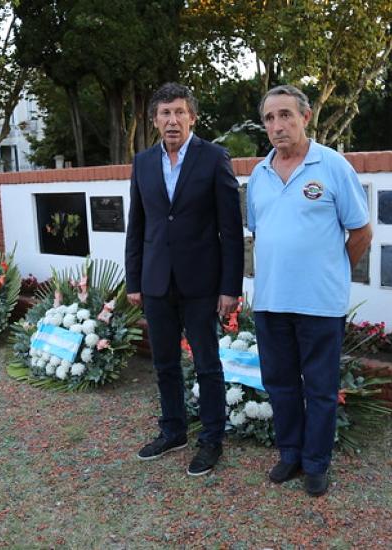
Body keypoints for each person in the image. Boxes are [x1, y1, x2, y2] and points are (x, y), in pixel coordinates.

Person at [247, 85, 372, 497]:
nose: (278, 125)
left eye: (285, 115)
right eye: (270, 118)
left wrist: (334, 270)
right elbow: (260, 233)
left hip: (320, 303)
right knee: (280, 384)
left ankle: (317, 463)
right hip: (270, 301)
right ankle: (290, 454)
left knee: (319, 387)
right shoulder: (258, 177)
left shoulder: (333, 166)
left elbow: (361, 231)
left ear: (305, 118)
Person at [125, 82, 244, 476]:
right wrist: (134, 281)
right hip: (156, 282)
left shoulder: (214, 158)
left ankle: (211, 438)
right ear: (155, 120)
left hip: (201, 284)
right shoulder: (142, 162)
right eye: (164, 113)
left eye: (179, 112)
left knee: (207, 364)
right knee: (164, 364)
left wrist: (230, 287)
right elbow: (137, 225)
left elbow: (231, 228)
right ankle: (173, 430)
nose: (172, 120)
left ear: (192, 116)